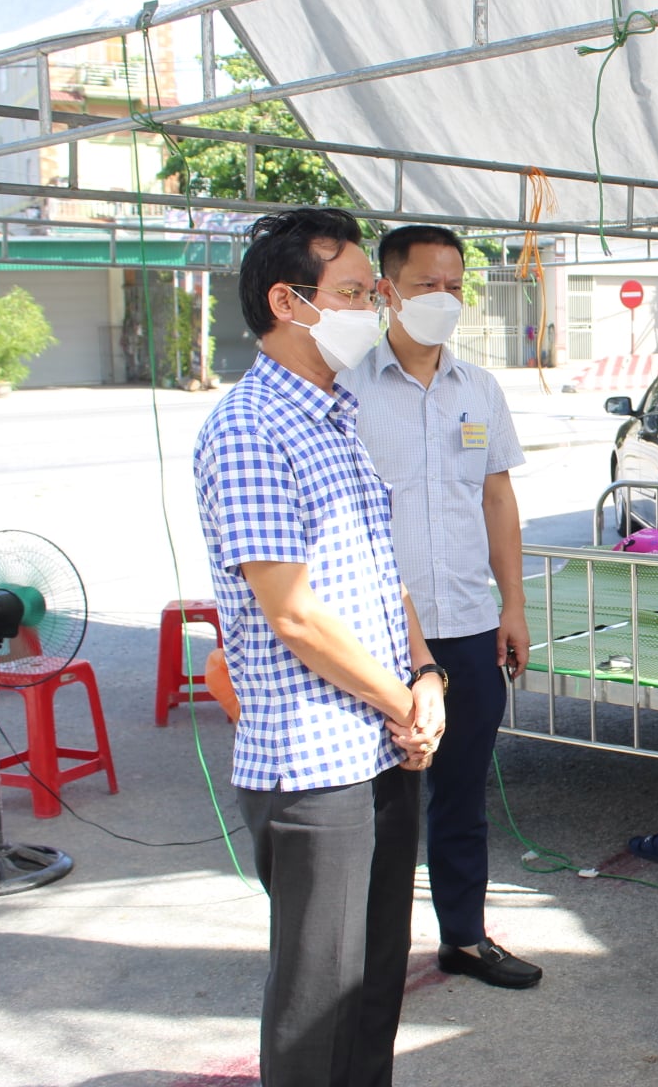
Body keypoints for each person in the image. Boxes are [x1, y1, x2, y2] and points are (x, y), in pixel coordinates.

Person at [193, 207, 446, 1087]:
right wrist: (399, 701)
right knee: (319, 1002)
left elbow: (383, 572)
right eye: (352, 293)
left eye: (373, 293)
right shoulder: (252, 426)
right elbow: (292, 613)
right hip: (314, 763)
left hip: (382, 743)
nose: (373, 309)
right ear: (288, 302)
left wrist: (425, 676)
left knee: (376, 981)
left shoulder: (336, 414)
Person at [339, 225, 543, 990]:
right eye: (427, 284)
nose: (444, 299)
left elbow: (496, 498)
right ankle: (360, 958)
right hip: (374, 634)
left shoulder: (478, 388)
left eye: (455, 285)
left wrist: (513, 604)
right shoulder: (346, 385)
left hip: (467, 624)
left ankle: (462, 937)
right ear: (386, 290)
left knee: (460, 797)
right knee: (371, 807)